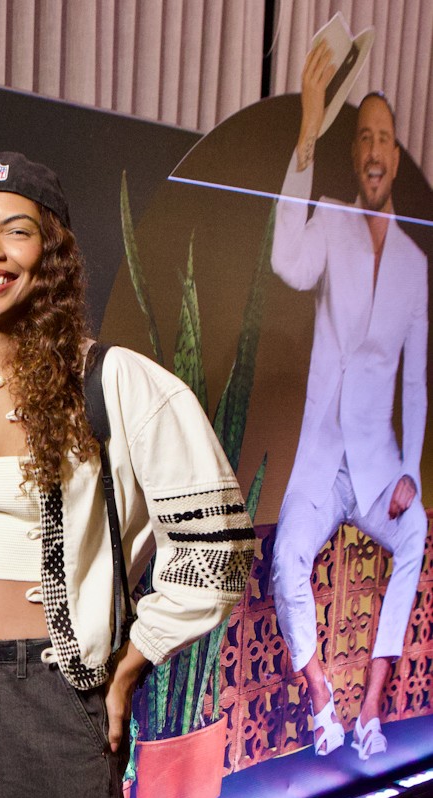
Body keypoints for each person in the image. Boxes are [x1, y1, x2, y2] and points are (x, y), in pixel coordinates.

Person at [0, 152, 255, 798]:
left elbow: (219, 549)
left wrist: (130, 665)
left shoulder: (114, 381)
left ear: (53, 255)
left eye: (16, 230)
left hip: (51, 692)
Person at [270, 41, 428, 761]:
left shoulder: (414, 265)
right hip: (319, 459)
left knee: (416, 535)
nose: (372, 148)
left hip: (376, 466)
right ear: (355, 153)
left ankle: (369, 711)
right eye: (361, 136)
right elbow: (286, 261)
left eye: (383, 137)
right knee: (285, 561)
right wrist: (307, 133)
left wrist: (410, 472)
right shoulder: (330, 219)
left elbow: (414, 382)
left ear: (395, 157)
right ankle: (322, 703)